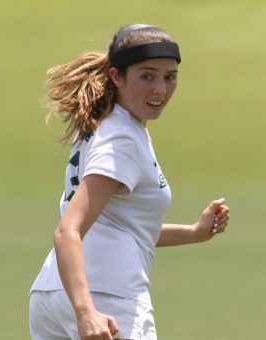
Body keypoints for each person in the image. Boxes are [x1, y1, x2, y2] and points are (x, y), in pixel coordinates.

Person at [29, 24, 230, 340]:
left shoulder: (104, 127)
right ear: (116, 76)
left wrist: (193, 233)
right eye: (146, 76)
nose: (160, 90)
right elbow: (68, 230)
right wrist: (86, 311)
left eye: (169, 77)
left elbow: (120, 226)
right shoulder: (121, 139)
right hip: (107, 299)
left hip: (51, 294)